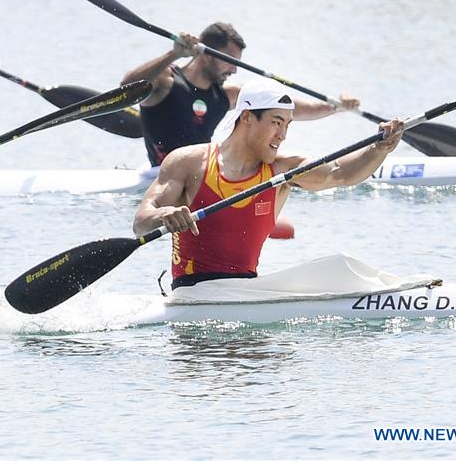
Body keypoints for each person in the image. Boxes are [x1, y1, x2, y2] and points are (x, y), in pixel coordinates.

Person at [132, 78, 403, 289]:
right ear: (248, 116)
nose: (282, 134)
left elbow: (340, 173)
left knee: (340, 268)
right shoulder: (188, 162)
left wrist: (379, 149)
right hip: (193, 291)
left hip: (246, 289)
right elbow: (141, 222)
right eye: (276, 122)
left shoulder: (284, 169)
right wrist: (165, 215)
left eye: (287, 124)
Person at [120, 23, 360, 167]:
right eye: (229, 61)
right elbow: (126, 87)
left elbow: (290, 108)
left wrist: (336, 106)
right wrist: (174, 54)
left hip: (203, 171)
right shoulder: (165, 81)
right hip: (162, 174)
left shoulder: (227, 94)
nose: (234, 70)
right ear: (206, 54)